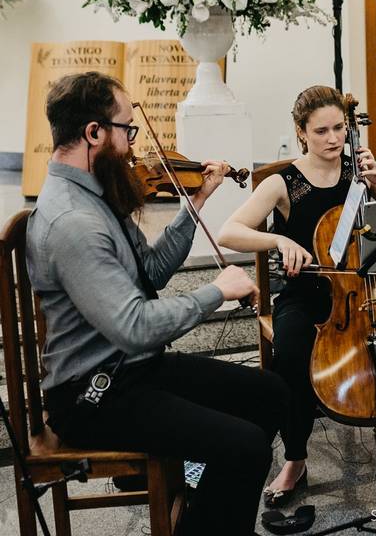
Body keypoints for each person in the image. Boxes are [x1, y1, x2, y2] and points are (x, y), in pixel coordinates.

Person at [28, 72, 290, 535]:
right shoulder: (73, 220)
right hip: (95, 395)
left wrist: (196, 204)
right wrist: (216, 291)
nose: (133, 144)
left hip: (133, 369)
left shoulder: (96, 195)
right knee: (246, 446)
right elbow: (135, 326)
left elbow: (149, 272)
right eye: (127, 130)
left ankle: (207, 519)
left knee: (270, 394)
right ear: (94, 133)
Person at [218, 85, 376, 508]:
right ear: (301, 132)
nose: (333, 138)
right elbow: (230, 231)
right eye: (321, 131)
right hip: (309, 295)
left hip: (372, 290)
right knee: (293, 351)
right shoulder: (283, 182)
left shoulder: (361, 172)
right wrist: (276, 242)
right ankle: (296, 459)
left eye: (339, 127)